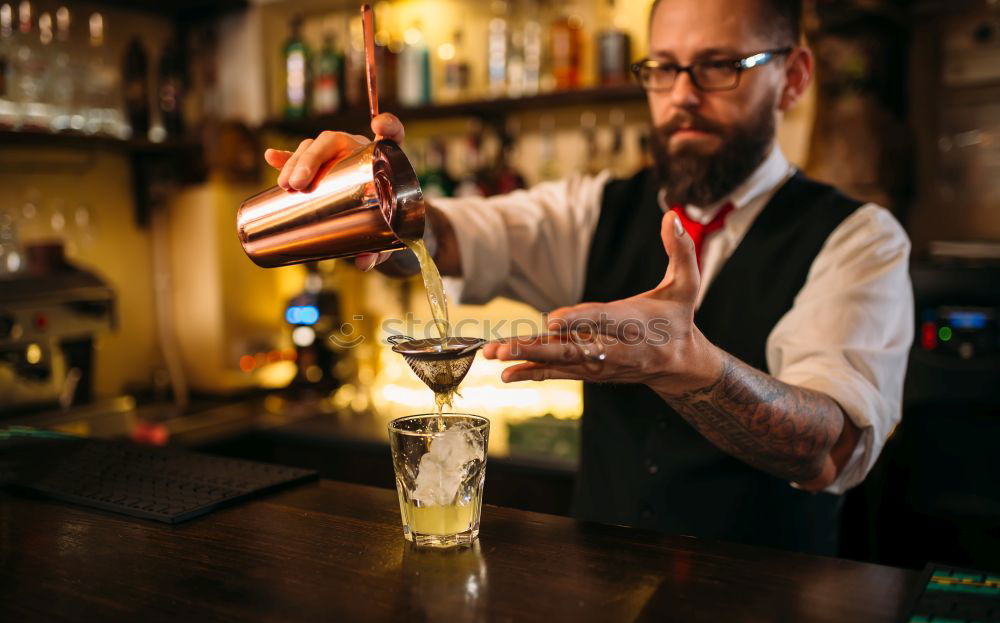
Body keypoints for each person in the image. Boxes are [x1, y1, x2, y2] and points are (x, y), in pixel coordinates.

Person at [263, 0, 913, 555]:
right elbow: (451, 236)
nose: (681, 95)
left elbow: (828, 446)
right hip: (604, 602)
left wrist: (695, 368)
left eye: (719, 67)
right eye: (662, 69)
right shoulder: (595, 209)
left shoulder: (859, 238)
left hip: (771, 619)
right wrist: (378, 203)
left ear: (793, 78)